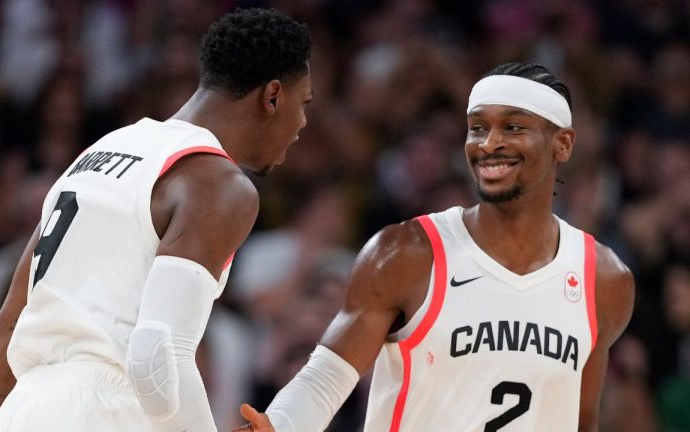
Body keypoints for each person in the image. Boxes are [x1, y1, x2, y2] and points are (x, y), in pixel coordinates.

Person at [0, 8, 312, 432]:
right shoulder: (219, 184)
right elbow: (157, 356)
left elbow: (2, 338)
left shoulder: (95, 156)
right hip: (106, 412)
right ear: (272, 96)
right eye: (303, 103)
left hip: (24, 407)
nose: (302, 126)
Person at [238, 63, 635, 432]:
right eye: (478, 128)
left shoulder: (603, 278)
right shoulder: (406, 252)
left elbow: (578, 418)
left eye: (513, 127)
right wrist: (281, 424)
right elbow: (326, 377)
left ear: (562, 144)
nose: (489, 144)